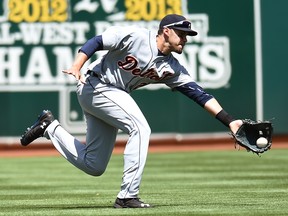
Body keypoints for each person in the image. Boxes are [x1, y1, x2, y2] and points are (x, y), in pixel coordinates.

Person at [20, 14, 243, 208]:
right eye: (181, 34)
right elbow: (97, 42)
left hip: (111, 95)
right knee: (140, 128)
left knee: (94, 165)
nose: (185, 39)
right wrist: (77, 65)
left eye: (187, 35)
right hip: (95, 85)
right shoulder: (136, 37)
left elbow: (199, 95)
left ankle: (50, 127)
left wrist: (230, 122)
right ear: (166, 32)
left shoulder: (172, 67)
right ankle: (127, 196)